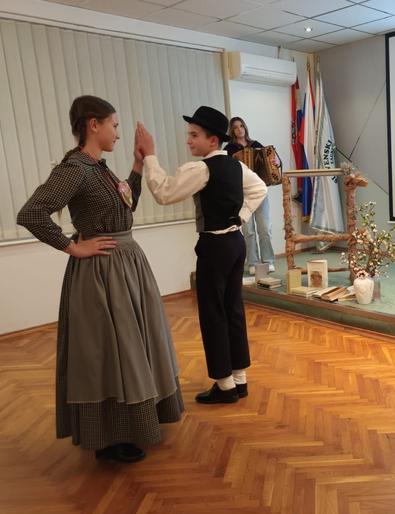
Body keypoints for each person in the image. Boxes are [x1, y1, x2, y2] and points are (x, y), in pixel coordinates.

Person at [16, 95, 184, 463]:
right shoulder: (75, 168)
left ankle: (133, 424)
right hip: (102, 273)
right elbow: (32, 213)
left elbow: (126, 206)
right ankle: (108, 438)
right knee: (108, 352)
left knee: (131, 349)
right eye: (114, 125)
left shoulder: (100, 168)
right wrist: (72, 246)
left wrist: (137, 166)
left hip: (125, 267)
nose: (118, 133)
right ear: (94, 124)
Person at [136, 107, 267, 404]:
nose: (189, 141)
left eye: (194, 135)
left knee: (213, 312)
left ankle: (225, 386)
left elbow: (164, 192)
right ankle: (239, 379)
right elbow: (259, 188)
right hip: (235, 243)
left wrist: (150, 157)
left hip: (216, 247)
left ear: (213, 140)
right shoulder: (236, 166)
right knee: (232, 308)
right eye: (189, 135)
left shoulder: (202, 169)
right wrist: (241, 216)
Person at [225, 117, 275, 274]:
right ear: (232, 130)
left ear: (245, 127)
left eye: (241, 126)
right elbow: (227, 171)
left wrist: (273, 162)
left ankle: (268, 260)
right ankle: (252, 262)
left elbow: (270, 161)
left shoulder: (256, 145)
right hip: (241, 194)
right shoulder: (229, 149)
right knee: (248, 231)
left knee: (265, 228)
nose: (239, 129)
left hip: (259, 191)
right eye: (235, 127)